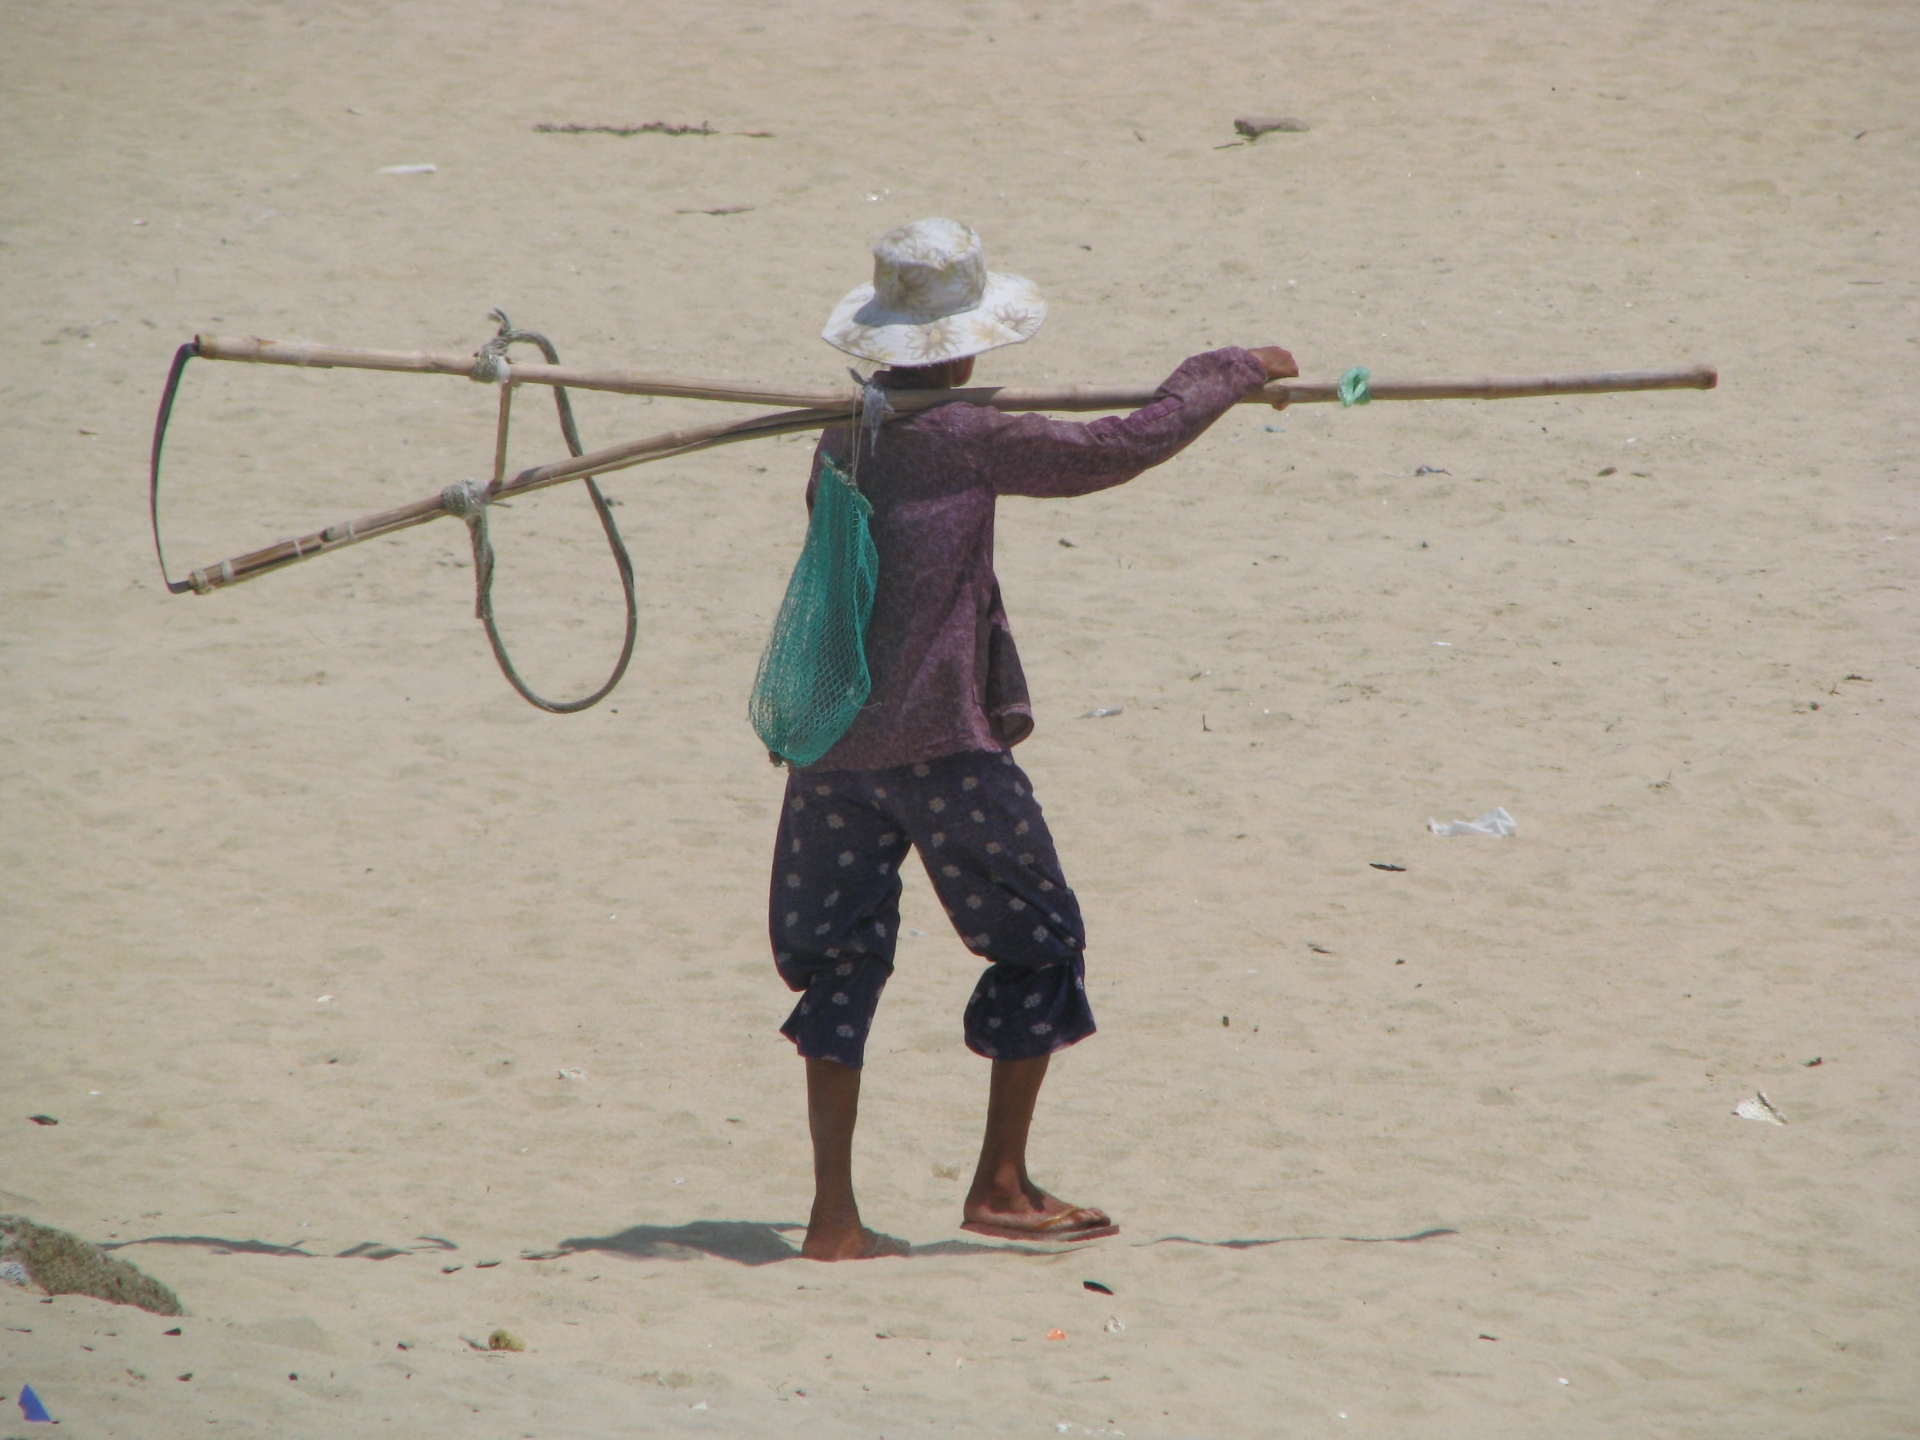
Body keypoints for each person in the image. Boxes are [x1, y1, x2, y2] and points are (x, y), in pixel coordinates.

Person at [774, 217, 1296, 1260]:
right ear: (962, 344)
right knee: (1041, 941)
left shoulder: (846, 437)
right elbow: (1121, 446)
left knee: (838, 968)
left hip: (831, 750)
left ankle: (832, 1219)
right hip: (945, 748)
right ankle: (1000, 1186)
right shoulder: (971, 438)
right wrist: (1226, 371)